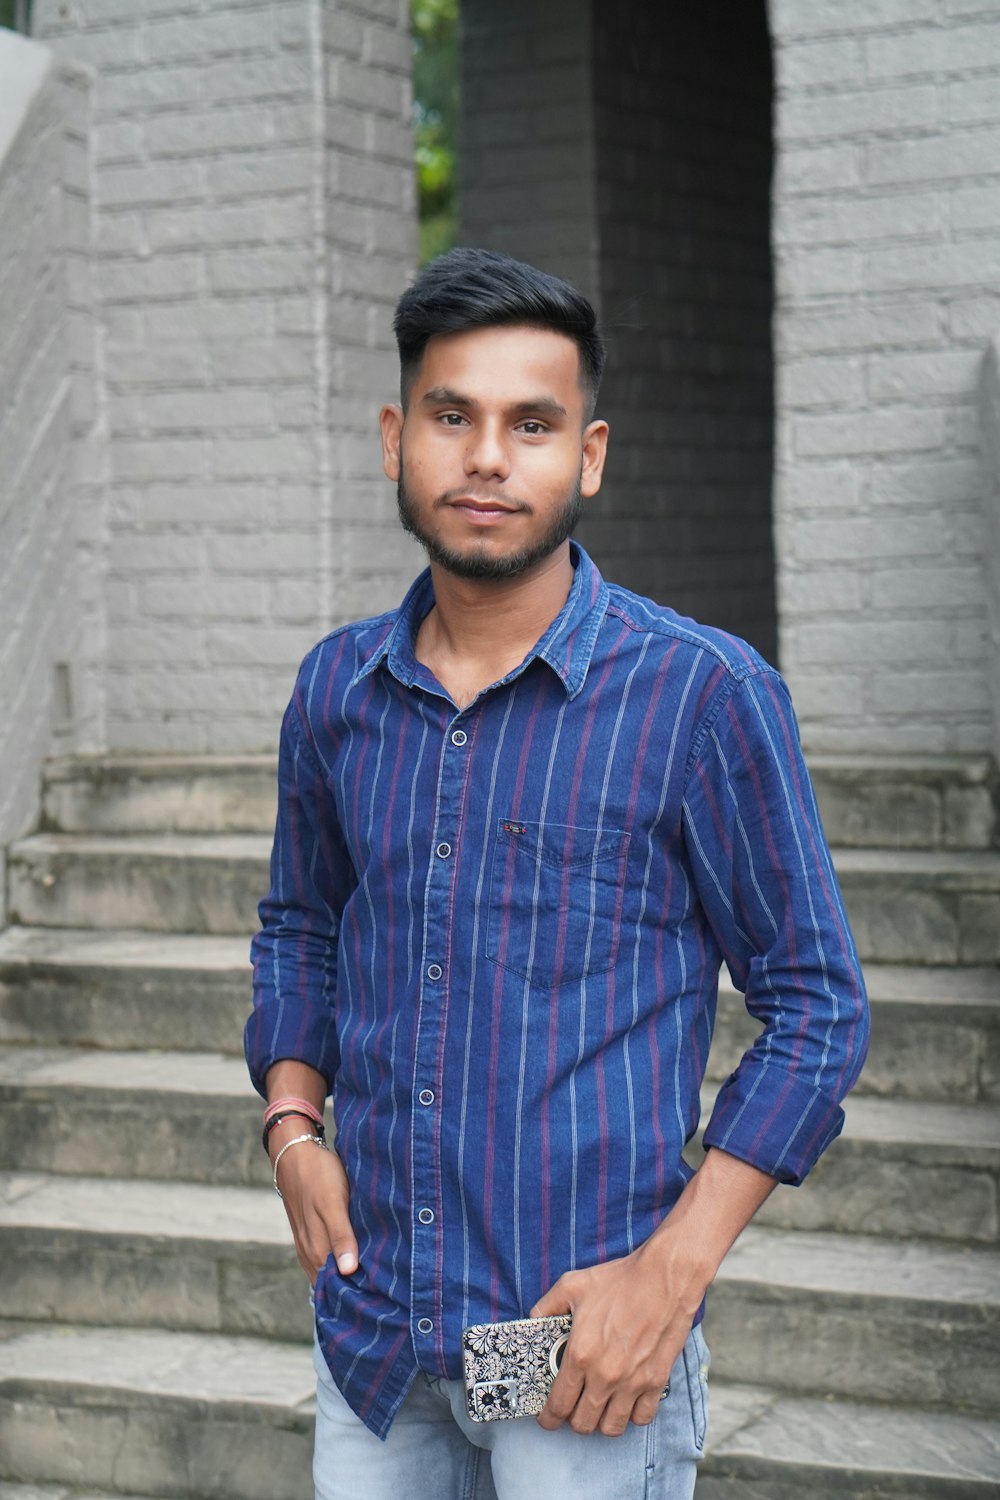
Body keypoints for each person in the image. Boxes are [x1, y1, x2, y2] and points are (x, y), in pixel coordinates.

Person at [245, 247, 869, 1500]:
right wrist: (292, 1129)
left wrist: (671, 1275)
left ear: (585, 456)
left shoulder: (700, 695)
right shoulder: (337, 691)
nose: (486, 457)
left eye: (529, 424)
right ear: (394, 439)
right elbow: (299, 931)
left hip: (577, 1345)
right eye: (451, 416)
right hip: (380, 1338)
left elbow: (817, 1007)